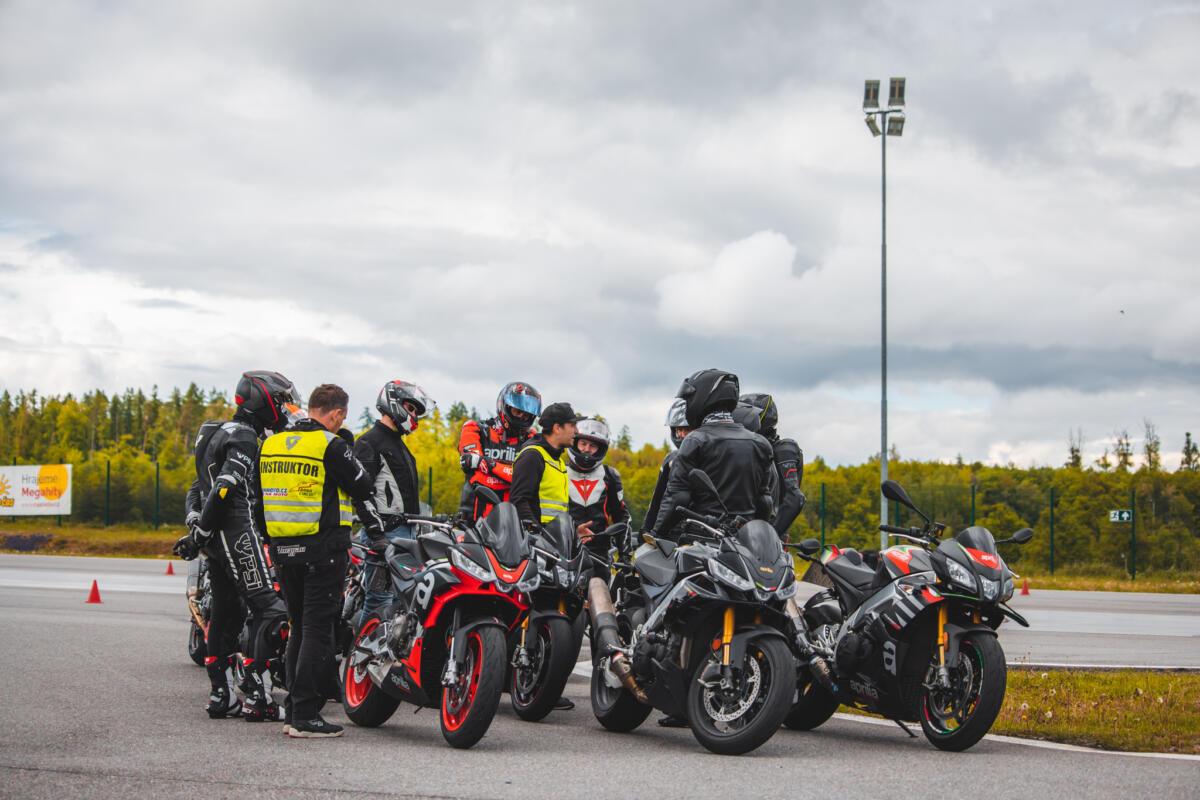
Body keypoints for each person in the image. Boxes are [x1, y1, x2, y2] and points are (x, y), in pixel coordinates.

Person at [260, 383, 386, 739]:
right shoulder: (331, 445)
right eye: (342, 418)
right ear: (337, 414)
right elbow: (363, 486)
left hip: (283, 548)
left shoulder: (272, 444)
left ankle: (294, 710)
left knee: (299, 627)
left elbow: (258, 496)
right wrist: (346, 448)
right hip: (322, 550)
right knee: (318, 630)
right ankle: (304, 714)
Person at [175, 370, 298, 722]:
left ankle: (221, 695)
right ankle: (256, 694)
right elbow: (224, 488)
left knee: (226, 612)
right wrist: (201, 532)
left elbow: (197, 489)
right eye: (282, 402)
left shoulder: (214, 431)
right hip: (236, 533)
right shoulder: (245, 437)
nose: (286, 409)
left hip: (217, 539)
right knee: (271, 610)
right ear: (264, 401)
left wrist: (197, 527)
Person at [509, 401, 587, 710]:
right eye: (572, 425)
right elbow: (520, 499)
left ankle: (545, 684)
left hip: (557, 545)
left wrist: (576, 530)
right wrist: (534, 533)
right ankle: (524, 676)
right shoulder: (533, 455)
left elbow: (558, 507)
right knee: (531, 609)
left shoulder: (558, 460)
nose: (576, 430)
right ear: (557, 428)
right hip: (534, 546)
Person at [652, 369, 775, 538]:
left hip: (702, 540)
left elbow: (677, 497)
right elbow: (764, 502)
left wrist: (656, 533)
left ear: (703, 397)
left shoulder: (696, 440)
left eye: (688, 399)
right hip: (744, 542)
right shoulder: (761, 444)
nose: (688, 404)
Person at [353, 379, 435, 623]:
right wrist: (376, 534)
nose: (414, 416)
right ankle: (362, 645)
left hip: (406, 533)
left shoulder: (399, 444)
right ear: (393, 403)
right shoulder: (369, 442)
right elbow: (360, 493)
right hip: (384, 533)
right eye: (411, 408)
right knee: (378, 601)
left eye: (416, 411)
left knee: (403, 602)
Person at [457, 382, 542, 521]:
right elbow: (470, 463)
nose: (521, 417)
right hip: (473, 518)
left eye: (526, 415)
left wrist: (490, 465)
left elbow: (528, 477)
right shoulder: (475, 428)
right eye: (517, 411)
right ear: (505, 407)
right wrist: (511, 475)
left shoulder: (532, 438)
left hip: (515, 519)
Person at [741, 393, 806, 539]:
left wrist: (771, 536)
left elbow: (794, 498)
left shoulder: (784, 450)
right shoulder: (752, 450)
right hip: (747, 532)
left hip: (767, 538)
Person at [566, 417, 631, 555]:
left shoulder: (610, 476)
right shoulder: (560, 472)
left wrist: (625, 554)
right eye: (583, 443)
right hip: (564, 550)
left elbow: (621, 516)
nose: (587, 449)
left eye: (593, 446)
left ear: (600, 449)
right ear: (575, 443)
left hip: (599, 553)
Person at [641, 397, 690, 535]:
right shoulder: (671, 459)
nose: (682, 434)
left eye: (687, 429)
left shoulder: (710, 455)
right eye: (679, 429)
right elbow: (657, 500)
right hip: (671, 530)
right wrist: (646, 531)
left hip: (701, 528)